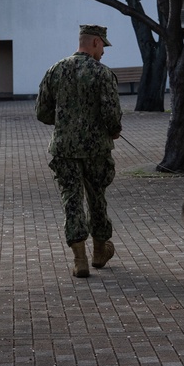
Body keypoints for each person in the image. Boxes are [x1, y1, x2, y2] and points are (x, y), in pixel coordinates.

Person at [35, 24, 123, 278]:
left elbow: (42, 112)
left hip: (64, 148)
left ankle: (79, 260)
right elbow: (111, 113)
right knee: (97, 198)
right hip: (97, 149)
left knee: (71, 200)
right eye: (103, 46)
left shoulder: (55, 70)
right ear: (95, 42)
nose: (104, 52)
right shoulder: (102, 73)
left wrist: (65, 122)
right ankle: (99, 251)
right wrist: (114, 129)